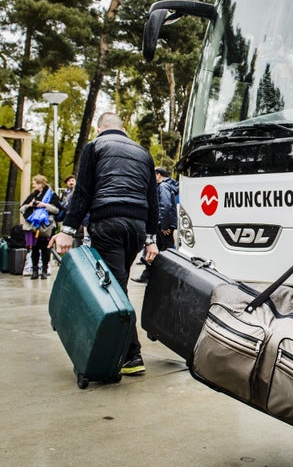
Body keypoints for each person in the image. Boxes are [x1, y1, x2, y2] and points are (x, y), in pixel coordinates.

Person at [50, 112, 159, 376]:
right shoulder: (143, 153)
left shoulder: (95, 147)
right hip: (135, 227)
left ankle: (130, 355)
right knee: (118, 285)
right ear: (123, 129)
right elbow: (152, 199)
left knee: (113, 291)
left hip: (108, 223)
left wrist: (67, 230)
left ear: (99, 129)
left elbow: (83, 192)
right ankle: (128, 353)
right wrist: (150, 239)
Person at [132, 166, 178, 283]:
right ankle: (147, 276)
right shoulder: (164, 186)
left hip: (164, 225)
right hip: (164, 224)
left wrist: (164, 226)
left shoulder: (163, 186)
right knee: (159, 251)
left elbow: (165, 206)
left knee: (167, 252)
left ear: (158, 175)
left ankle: (169, 279)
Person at [19, 174, 62, 279]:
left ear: (41, 184)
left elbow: (57, 210)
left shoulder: (52, 195)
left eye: (35, 183)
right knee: (34, 248)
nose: (33, 186)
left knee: (46, 248)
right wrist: (29, 205)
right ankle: (34, 270)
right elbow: (22, 208)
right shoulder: (33, 195)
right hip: (33, 225)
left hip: (46, 226)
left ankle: (44, 270)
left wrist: (44, 205)